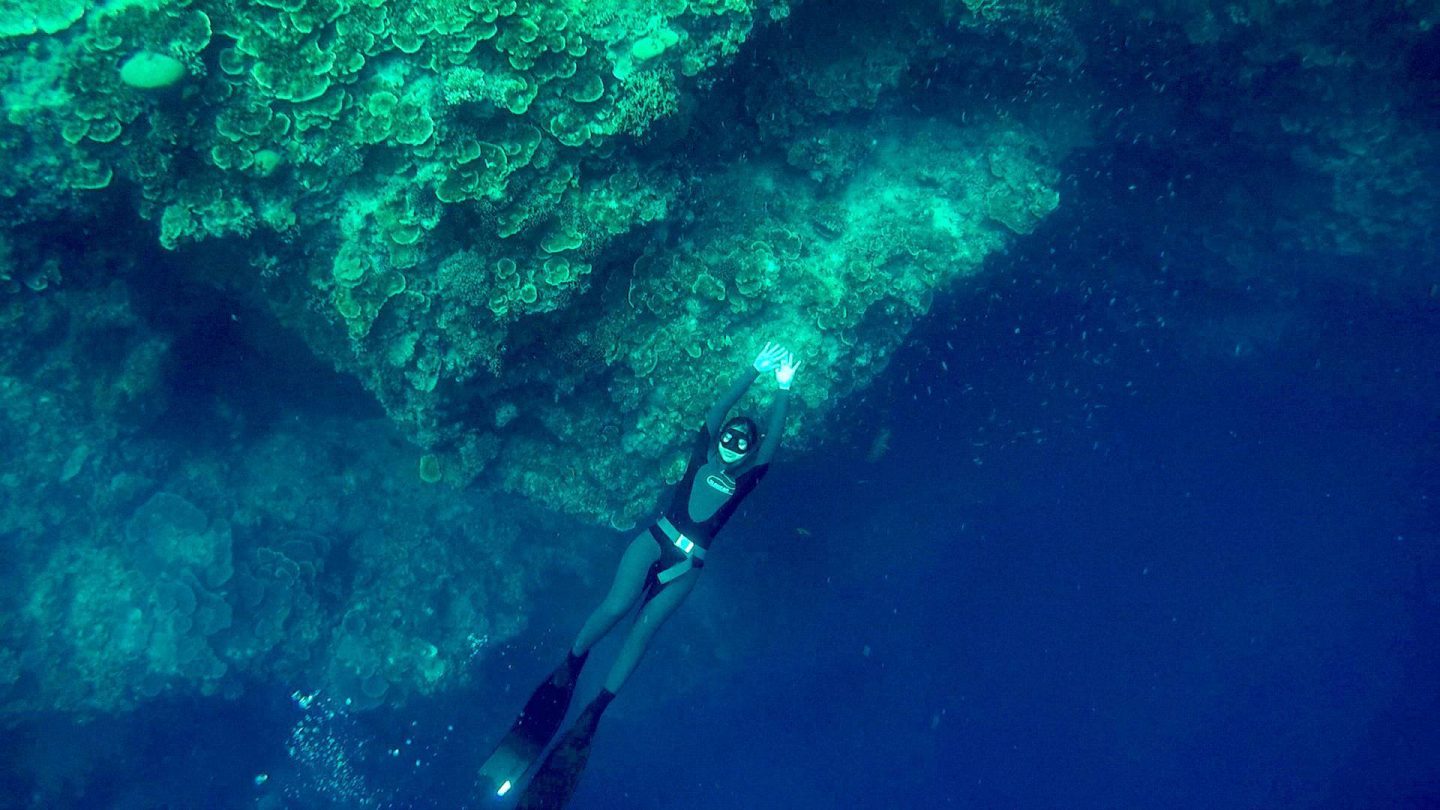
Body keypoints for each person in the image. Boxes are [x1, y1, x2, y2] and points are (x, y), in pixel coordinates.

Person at [478, 342, 802, 807]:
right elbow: (715, 412)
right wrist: (753, 371)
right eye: (728, 437)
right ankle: (571, 664)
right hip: (654, 540)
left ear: (748, 453)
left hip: (685, 568)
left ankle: (595, 710)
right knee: (615, 606)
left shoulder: (746, 478)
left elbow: (771, 444)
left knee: (642, 633)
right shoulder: (701, 456)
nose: (732, 444)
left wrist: (785, 388)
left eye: (741, 443)